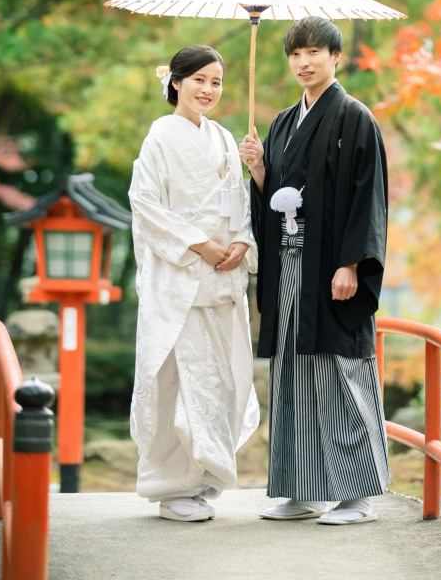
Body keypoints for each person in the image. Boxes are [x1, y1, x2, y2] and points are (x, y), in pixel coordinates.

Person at [239, 15, 389, 526]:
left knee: (339, 368)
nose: (303, 63)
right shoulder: (281, 122)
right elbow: (276, 197)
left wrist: (350, 263)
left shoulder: (354, 117)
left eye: (314, 53)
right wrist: (259, 171)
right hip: (288, 265)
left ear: (335, 58)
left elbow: (367, 197)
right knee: (293, 372)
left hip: (331, 267)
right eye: (295, 54)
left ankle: (358, 495)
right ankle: (302, 490)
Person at [129, 44, 259, 522]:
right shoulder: (160, 137)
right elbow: (145, 204)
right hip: (182, 277)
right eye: (199, 79)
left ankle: (203, 479)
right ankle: (172, 486)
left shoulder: (226, 139)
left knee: (220, 379)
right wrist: (198, 243)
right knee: (179, 378)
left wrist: (243, 242)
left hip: (223, 276)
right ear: (176, 82)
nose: (208, 90)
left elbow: (240, 201)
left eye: (217, 82)